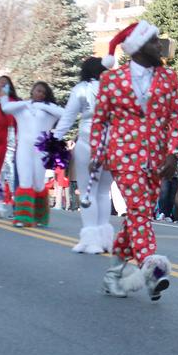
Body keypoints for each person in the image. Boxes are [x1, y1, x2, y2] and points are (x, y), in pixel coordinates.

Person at [91, 21, 178, 300]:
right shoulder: (111, 80)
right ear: (139, 47)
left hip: (156, 158)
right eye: (155, 41)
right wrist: (97, 154)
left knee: (135, 217)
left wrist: (173, 153)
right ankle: (150, 268)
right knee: (140, 211)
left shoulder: (169, 78)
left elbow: (176, 118)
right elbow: (99, 121)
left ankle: (113, 275)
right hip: (123, 157)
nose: (160, 45)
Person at [54, 56, 114, 253]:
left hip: (88, 142)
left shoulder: (81, 89)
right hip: (112, 144)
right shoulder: (116, 88)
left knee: (88, 191)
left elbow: (68, 117)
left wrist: (54, 139)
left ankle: (91, 240)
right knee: (104, 192)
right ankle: (105, 239)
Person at [0, 81, 65, 227]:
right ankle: (23, 218)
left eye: (43, 92)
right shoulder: (22, 107)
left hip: (41, 150)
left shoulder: (49, 108)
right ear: (32, 91)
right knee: (24, 181)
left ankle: (40, 216)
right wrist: (10, 96)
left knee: (38, 184)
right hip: (23, 148)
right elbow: (5, 108)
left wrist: (42, 106)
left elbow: (64, 114)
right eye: (38, 90)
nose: (40, 94)